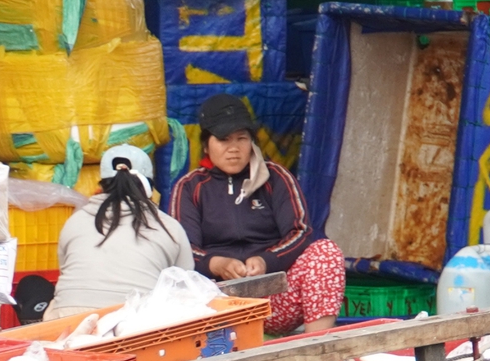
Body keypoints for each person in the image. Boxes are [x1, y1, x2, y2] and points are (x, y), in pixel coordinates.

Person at [168, 93, 345, 334]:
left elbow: (300, 232)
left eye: (242, 138)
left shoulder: (275, 178)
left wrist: (266, 260)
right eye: (223, 140)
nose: (234, 149)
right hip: (217, 303)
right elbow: (183, 249)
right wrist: (216, 263)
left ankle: (316, 346)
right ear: (206, 143)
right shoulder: (190, 187)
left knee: (326, 252)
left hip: (273, 299)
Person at [53, 144, 191, 313]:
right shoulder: (169, 227)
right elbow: (185, 290)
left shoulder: (75, 221)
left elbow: (65, 270)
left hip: (68, 322)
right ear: (149, 186)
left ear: (102, 186)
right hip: (137, 326)